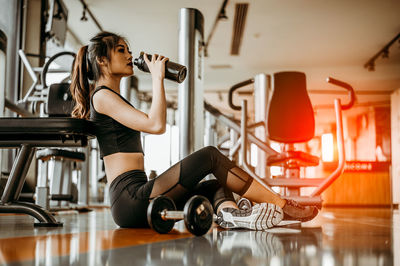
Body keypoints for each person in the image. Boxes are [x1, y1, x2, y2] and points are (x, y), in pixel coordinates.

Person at [70, 31, 318, 231]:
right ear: (102, 60)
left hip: (141, 195)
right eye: (121, 49)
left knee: (213, 186)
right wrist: (157, 78)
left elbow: (154, 123)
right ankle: (281, 204)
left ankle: (232, 217)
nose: (129, 55)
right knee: (210, 155)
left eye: (128, 49)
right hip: (130, 200)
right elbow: (156, 125)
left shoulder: (112, 98)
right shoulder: (102, 96)